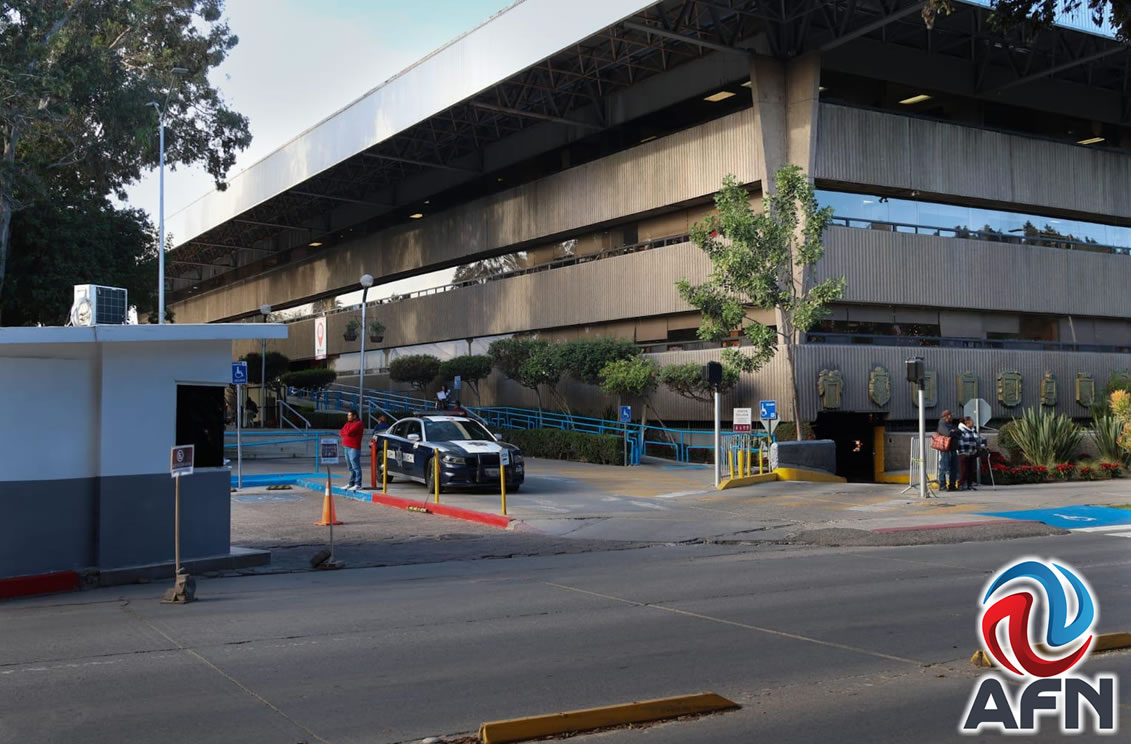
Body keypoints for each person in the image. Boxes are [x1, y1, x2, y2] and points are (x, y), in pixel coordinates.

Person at [340, 410, 364, 491]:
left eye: (350, 415)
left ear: (354, 416)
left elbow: (349, 432)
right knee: (350, 467)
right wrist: (346, 432)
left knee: (355, 466)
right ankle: (351, 483)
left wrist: (346, 432)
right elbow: (341, 432)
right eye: (348, 415)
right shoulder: (348, 423)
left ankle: (358, 484)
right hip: (346, 447)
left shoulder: (358, 424)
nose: (348, 417)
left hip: (354, 448)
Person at [936, 410, 959, 492]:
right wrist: (953, 432)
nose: (952, 417)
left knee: (954, 468)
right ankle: (942, 486)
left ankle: (952, 485)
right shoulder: (942, 424)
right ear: (946, 416)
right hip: (945, 449)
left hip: (953, 448)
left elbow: (959, 432)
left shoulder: (952, 424)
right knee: (944, 467)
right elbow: (947, 433)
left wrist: (954, 431)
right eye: (950, 415)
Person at [957, 416, 980, 490]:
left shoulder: (973, 430)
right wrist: (962, 451)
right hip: (963, 453)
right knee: (963, 470)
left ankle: (969, 484)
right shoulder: (961, 430)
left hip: (972, 453)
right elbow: (961, 441)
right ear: (967, 422)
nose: (973, 423)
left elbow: (977, 440)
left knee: (971, 469)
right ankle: (961, 484)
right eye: (971, 421)